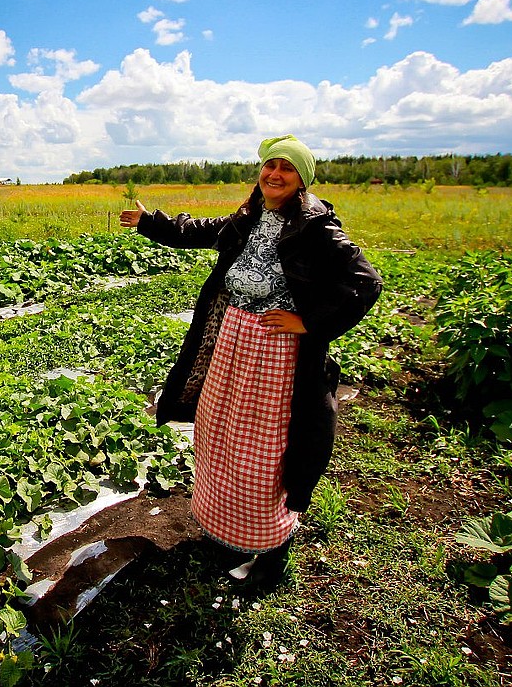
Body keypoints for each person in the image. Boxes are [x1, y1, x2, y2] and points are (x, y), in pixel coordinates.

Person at [119, 135, 382, 587]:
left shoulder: (315, 226)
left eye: (287, 168)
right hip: (233, 344)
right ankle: (226, 529)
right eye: (269, 165)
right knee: (218, 433)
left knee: (263, 450)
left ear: (303, 179)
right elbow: (197, 230)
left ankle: (273, 547)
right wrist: (149, 222)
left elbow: (366, 281)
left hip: (276, 355)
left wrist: (307, 322)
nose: (274, 174)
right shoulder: (250, 215)